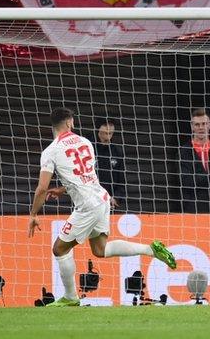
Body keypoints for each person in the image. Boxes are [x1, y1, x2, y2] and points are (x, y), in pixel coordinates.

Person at [28, 107, 176, 307]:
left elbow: (41, 188)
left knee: (59, 249)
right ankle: (151, 250)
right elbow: (85, 176)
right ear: (70, 122)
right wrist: (63, 190)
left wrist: (33, 214)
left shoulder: (51, 151)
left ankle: (71, 297)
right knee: (100, 249)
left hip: (88, 206)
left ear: (53, 125)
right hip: (102, 197)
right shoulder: (86, 142)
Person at [94, 119, 126, 209]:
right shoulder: (89, 149)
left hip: (111, 202)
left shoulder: (117, 151)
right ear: (98, 128)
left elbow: (121, 179)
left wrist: (116, 198)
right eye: (105, 124)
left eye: (111, 125)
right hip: (91, 200)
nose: (109, 128)